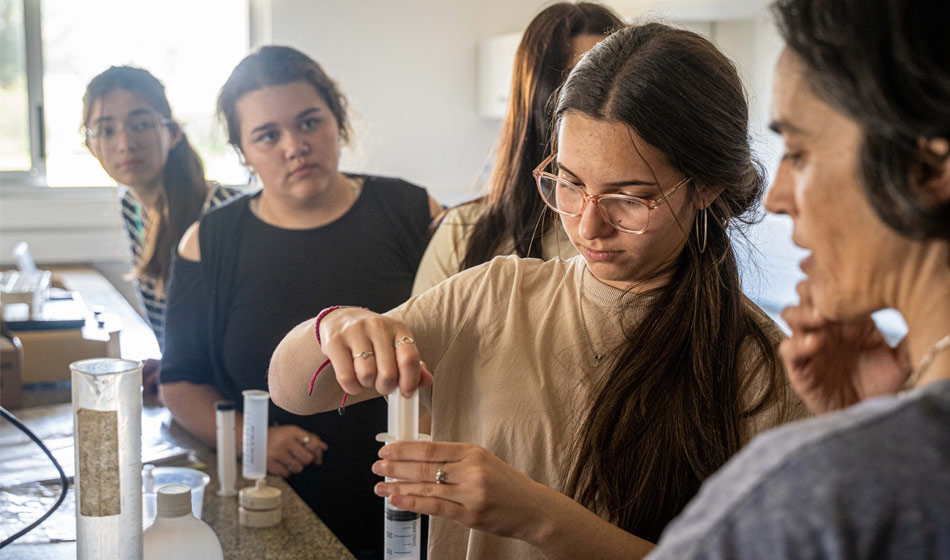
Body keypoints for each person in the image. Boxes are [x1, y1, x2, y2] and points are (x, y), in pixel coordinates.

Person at [270, 24, 804, 559]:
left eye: (628, 197)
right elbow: (290, 389)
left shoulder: (760, 367)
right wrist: (338, 325)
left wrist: (539, 517)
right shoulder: (494, 297)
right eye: (570, 183)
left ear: (707, 185)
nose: (588, 226)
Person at [648, 1, 950, 558]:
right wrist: (877, 421)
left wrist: (860, 452)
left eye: (800, 152)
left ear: (927, 168)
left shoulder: (810, 499)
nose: (776, 196)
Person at [158, 46, 442, 559]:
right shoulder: (209, 241)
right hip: (275, 500)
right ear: (243, 151)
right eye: (268, 135)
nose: (295, 145)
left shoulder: (413, 211)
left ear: (338, 121)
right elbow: (179, 380)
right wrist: (251, 438)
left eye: (310, 122)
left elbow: (465, 339)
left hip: (411, 496)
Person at [411, 2, 623, 296]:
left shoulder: (652, 229)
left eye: (607, 84)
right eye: (572, 85)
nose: (598, 106)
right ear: (536, 98)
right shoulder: (464, 233)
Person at [83, 66, 241, 358]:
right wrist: (167, 366)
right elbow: (171, 332)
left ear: (172, 132)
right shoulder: (131, 205)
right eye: (106, 130)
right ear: (91, 145)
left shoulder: (224, 212)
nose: (125, 144)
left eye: (141, 125)